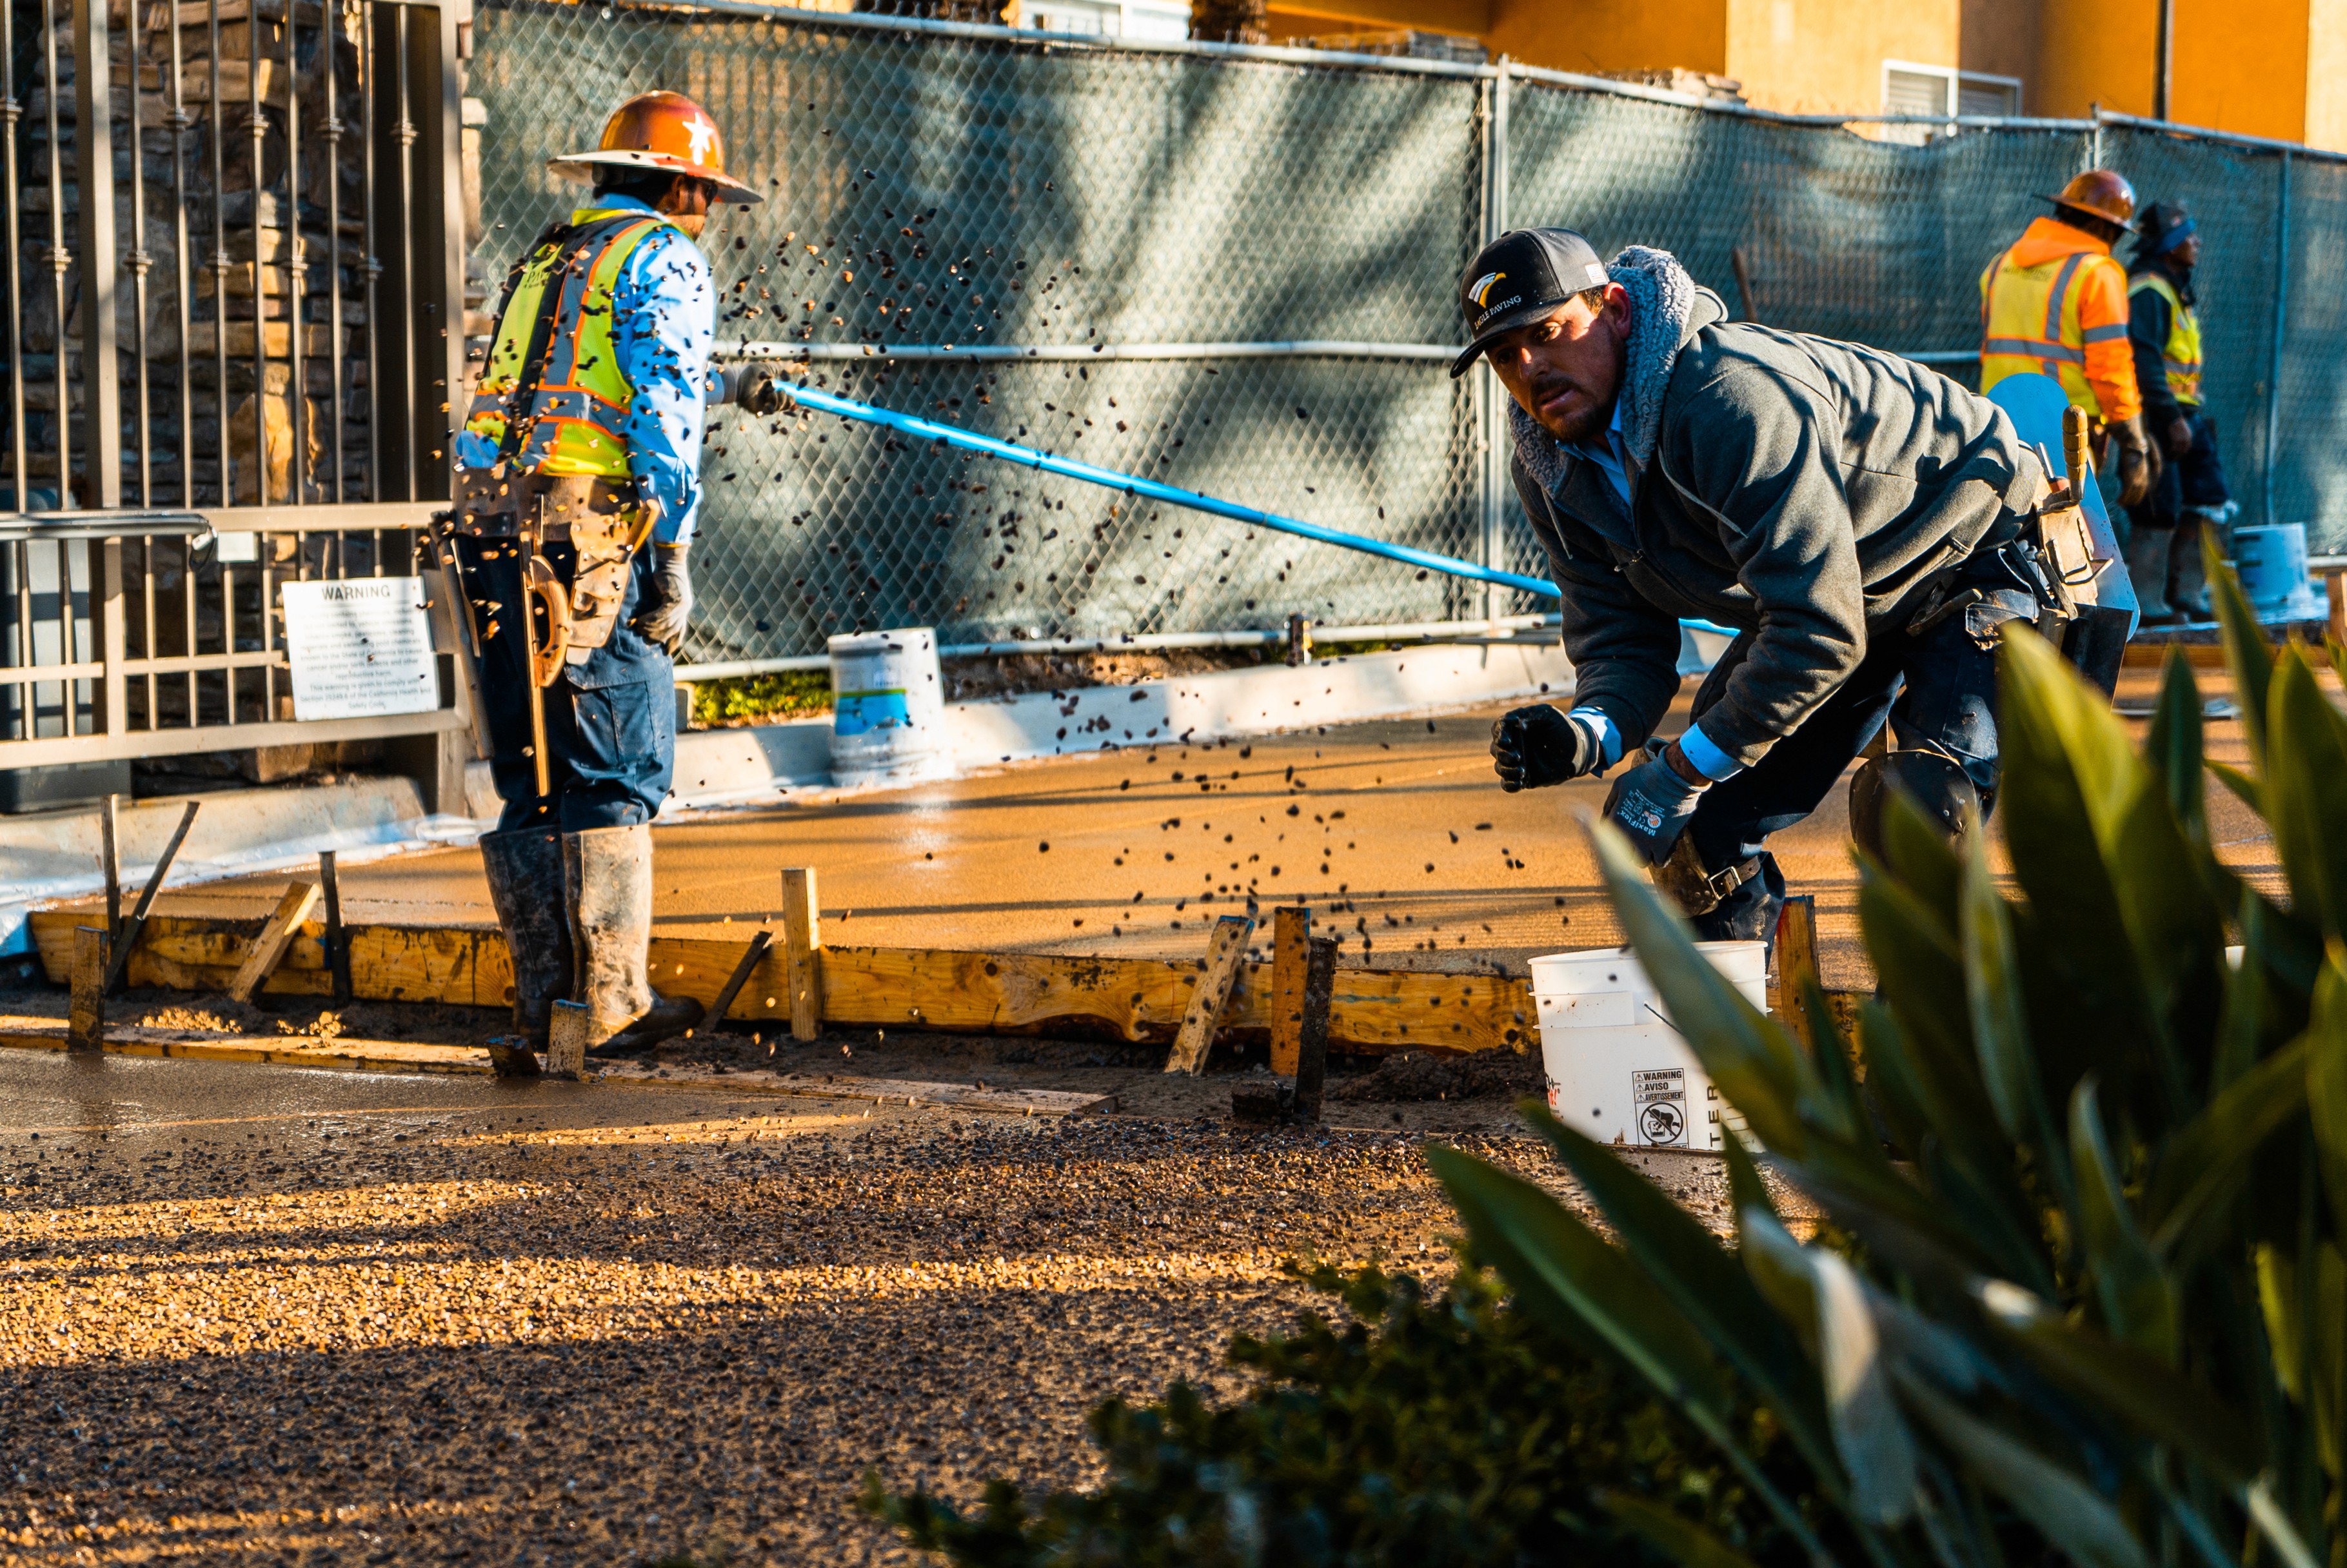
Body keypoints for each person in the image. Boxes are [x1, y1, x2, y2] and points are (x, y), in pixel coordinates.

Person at [1465, 228, 2070, 942]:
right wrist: (1585, 734)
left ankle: (1926, 1043)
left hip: (1974, 550)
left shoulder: (1728, 400)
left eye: (1547, 331)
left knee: (1920, 812)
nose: (1530, 365)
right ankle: (1736, 1046)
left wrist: (1678, 772)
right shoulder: (1554, 468)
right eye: (1505, 355)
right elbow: (1622, 639)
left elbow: (1818, 632)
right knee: (1693, 849)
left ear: (1617, 311)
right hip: (1839, 595)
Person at [450, 90, 757, 1072]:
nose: (704, 211)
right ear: (677, 183)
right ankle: (614, 1000)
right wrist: (671, 557)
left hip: (492, 526)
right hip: (586, 538)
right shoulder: (665, 255)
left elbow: (566, 382)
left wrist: (727, 380)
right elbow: (658, 416)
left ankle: (547, 1007)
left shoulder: (552, 251)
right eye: (701, 193)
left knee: (531, 766)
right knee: (617, 755)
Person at [1978, 169, 2158, 510]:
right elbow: (2111, 368)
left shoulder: (2000, 267)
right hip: (2064, 435)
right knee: (2068, 541)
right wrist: (2134, 442)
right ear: (2106, 227)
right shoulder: (2098, 274)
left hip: (1994, 425)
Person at [2125, 199, 2236, 622]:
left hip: (2186, 414)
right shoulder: (2149, 289)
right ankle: (2149, 606)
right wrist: (2169, 419)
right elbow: (2146, 359)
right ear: (2170, 243)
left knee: (2206, 501)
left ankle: (2186, 595)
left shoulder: (2172, 287)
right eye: (2188, 235)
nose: (2197, 242)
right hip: (2159, 416)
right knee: (2159, 506)